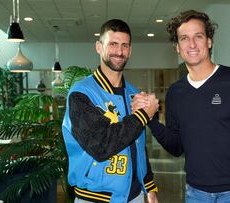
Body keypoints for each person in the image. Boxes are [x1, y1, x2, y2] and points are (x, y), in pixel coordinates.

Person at [132, 10, 230, 203]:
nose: (191, 44)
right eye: (184, 38)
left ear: (209, 41)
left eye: (198, 36)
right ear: (177, 47)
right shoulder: (176, 93)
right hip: (196, 194)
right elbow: (176, 146)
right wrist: (149, 118)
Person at [62, 19, 159, 203]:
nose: (119, 52)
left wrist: (149, 186)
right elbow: (101, 145)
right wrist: (143, 115)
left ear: (130, 50)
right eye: (113, 44)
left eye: (125, 45)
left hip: (135, 196)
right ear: (99, 47)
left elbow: (137, 144)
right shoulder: (81, 94)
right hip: (96, 198)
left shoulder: (133, 93)